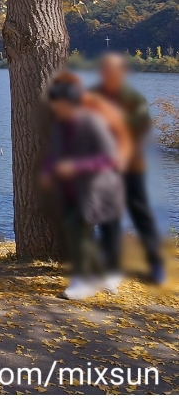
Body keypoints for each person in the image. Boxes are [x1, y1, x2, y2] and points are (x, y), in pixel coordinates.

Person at [41, 73, 125, 300]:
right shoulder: (61, 126)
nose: (56, 109)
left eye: (59, 105)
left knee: (78, 227)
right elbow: (55, 153)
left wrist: (76, 166)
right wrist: (48, 172)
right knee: (76, 229)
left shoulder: (93, 124)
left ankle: (85, 281)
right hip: (73, 190)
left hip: (99, 189)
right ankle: (105, 275)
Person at [92, 53, 165, 285]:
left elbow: (139, 130)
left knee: (139, 213)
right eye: (105, 70)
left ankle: (155, 264)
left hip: (131, 166)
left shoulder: (134, 99)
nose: (108, 74)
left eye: (113, 70)